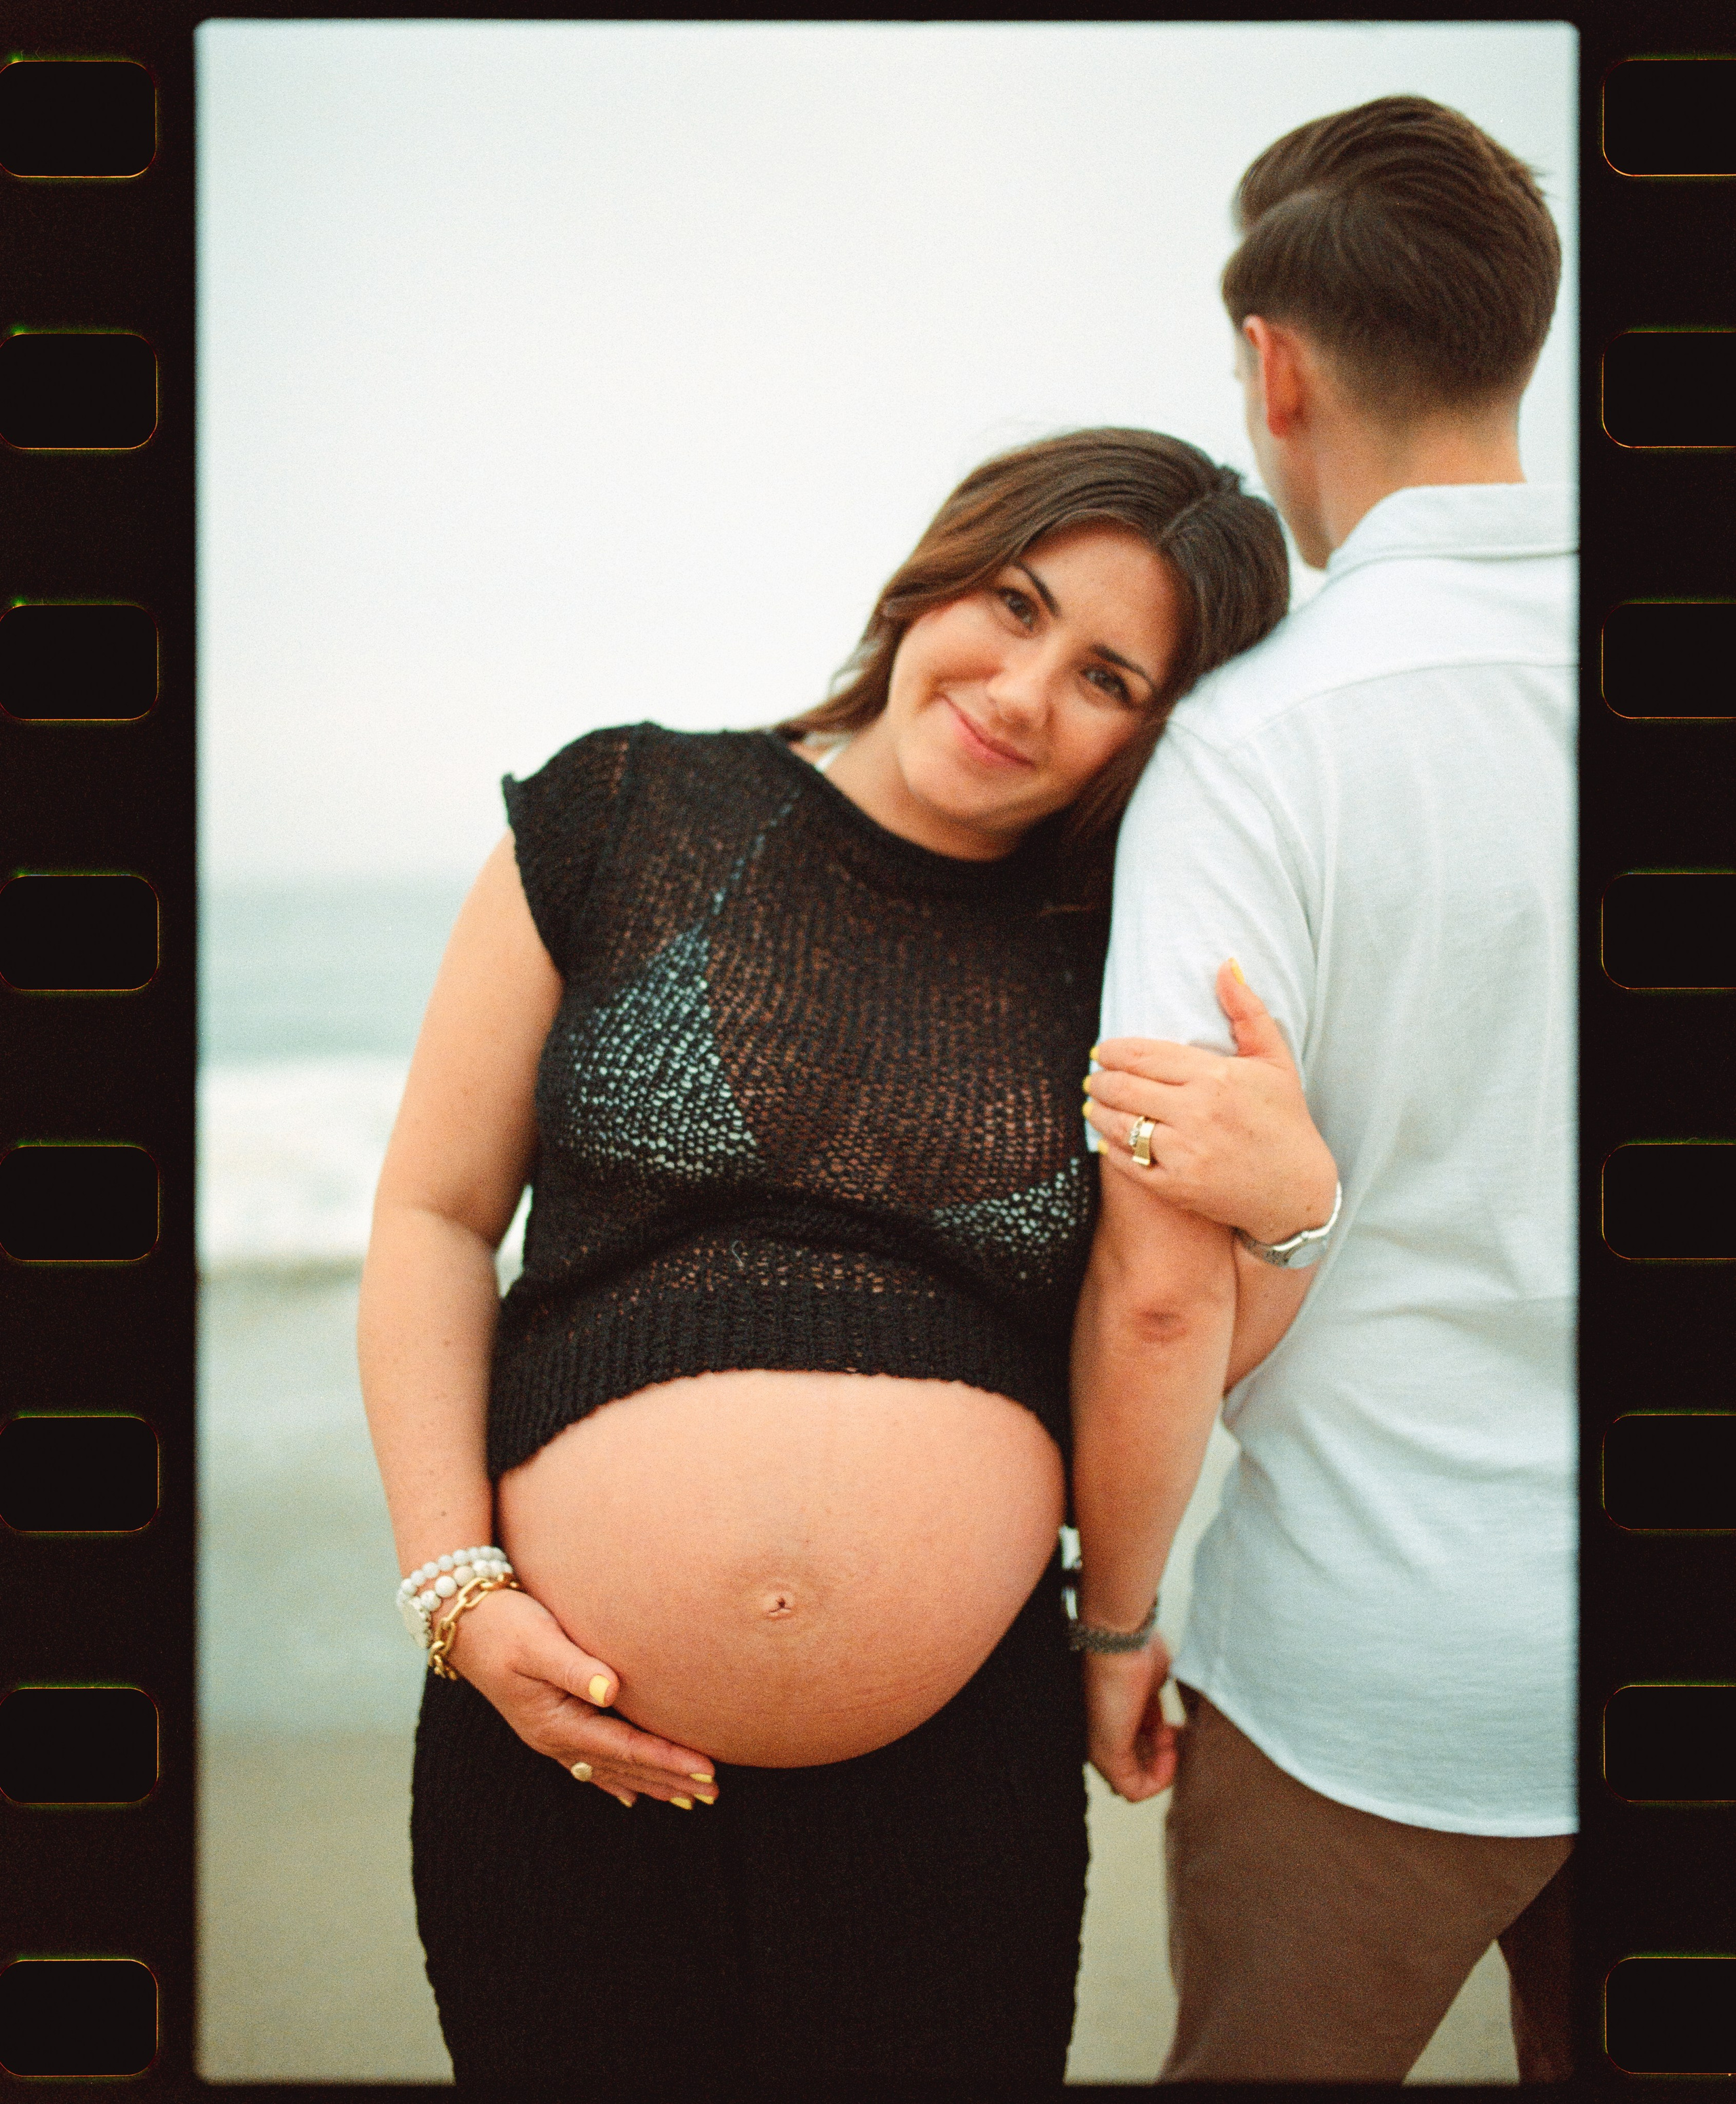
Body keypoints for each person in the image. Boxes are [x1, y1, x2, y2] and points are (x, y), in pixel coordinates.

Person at [357, 426, 1328, 2095]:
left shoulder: (1121, 951)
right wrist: (455, 1591)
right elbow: (433, 1217)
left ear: (1151, 735)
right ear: (939, 571)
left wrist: (1295, 1205)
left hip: (950, 1785)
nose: (1021, 692)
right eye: (1014, 605)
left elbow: (1169, 1336)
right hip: (557, 1730)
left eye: (1105, 678)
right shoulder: (621, 809)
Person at [1073, 96, 1575, 2082]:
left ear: (1274, 370)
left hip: (1376, 1669)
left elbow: (1163, 1287)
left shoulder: (1254, 742)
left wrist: (1117, 1626)